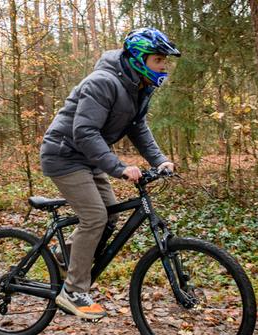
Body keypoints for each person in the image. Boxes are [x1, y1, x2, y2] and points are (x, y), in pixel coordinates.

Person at [39, 28, 180, 319]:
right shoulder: (103, 82)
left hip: (89, 158)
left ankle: (64, 253)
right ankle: (74, 290)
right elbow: (84, 131)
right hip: (64, 156)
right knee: (95, 217)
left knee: (111, 215)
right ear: (139, 59)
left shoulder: (139, 88)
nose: (164, 66)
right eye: (158, 59)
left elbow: (138, 128)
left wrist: (160, 160)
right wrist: (118, 168)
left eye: (165, 60)